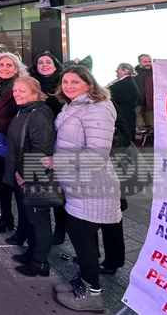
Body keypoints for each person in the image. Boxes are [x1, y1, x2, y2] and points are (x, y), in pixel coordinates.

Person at [51, 66, 121, 313]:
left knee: (83, 239)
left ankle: (92, 293)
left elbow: (97, 154)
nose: (69, 86)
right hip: (76, 183)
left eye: (75, 82)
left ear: (89, 84)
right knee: (82, 236)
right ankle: (83, 282)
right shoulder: (74, 105)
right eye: (65, 81)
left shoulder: (98, 109)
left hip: (93, 185)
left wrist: (56, 161)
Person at [3, 77, 56, 276]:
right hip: (21, 174)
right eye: (15, 90)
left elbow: (42, 150)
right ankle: (32, 251)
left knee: (39, 219)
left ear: (35, 93)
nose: (16, 94)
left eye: (22, 91)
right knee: (29, 216)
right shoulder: (24, 111)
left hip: (32, 177)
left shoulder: (39, 115)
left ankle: (40, 262)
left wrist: (26, 175)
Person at [0, 52, 29, 235]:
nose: (4, 68)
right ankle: (6, 218)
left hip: (15, 144)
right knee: (4, 184)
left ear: (16, 68)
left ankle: (23, 227)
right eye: (1, 65)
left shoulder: (20, 87)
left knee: (18, 187)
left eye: (9, 65)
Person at [30, 50, 66, 244]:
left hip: (59, 142)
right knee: (39, 185)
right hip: (38, 141)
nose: (44, 65)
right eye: (40, 62)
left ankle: (60, 230)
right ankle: (41, 229)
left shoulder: (63, 84)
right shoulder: (32, 83)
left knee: (58, 188)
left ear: (55, 64)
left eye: (48, 62)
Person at [107, 63, 139, 145]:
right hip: (124, 115)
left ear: (125, 71)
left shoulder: (125, 83)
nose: (116, 71)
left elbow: (109, 93)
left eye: (118, 69)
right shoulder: (124, 82)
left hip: (124, 115)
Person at [133, 54, 153, 137]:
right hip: (138, 103)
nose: (148, 64)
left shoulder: (156, 73)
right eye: (145, 62)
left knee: (151, 125)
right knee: (139, 126)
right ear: (139, 62)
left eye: (149, 61)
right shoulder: (134, 73)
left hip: (151, 103)